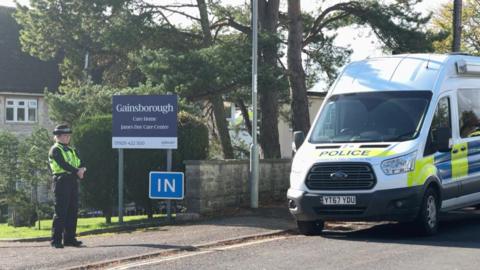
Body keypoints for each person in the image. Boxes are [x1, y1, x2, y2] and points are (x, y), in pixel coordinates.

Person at [48, 124, 86, 248]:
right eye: (64, 136)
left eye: (68, 136)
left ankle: (70, 239)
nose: (67, 138)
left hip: (72, 181)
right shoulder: (55, 149)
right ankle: (56, 240)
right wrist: (77, 171)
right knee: (61, 211)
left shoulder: (71, 150)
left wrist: (82, 169)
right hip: (61, 181)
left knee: (72, 211)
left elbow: (80, 162)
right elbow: (63, 164)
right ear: (57, 136)